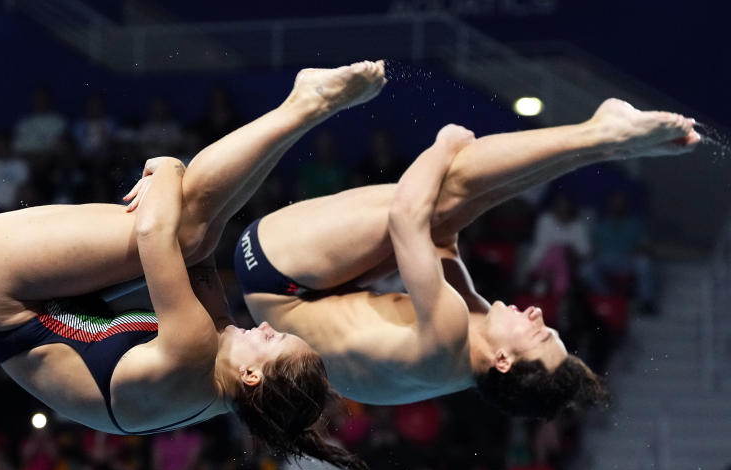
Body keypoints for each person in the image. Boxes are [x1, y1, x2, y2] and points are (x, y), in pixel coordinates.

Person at [0, 62, 386, 470]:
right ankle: (305, 109)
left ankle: (308, 104)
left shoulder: (193, 354)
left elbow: (154, 232)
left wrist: (170, 168)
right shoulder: (220, 382)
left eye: (275, 341)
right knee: (200, 237)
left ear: (252, 376)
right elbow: (200, 260)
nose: (268, 327)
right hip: (31, 306)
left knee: (189, 225)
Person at [235, 99, 698, 418]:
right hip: (308, 291)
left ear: (502, 361)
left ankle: (601, 135)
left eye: (538, 334)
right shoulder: (466, 351)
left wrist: (443, 145)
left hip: (276, 269)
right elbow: (441, 244)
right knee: (454, 204)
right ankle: (601, 141)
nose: (537, 313)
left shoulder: (448, 335)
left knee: (445, 188)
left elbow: (406, 217)